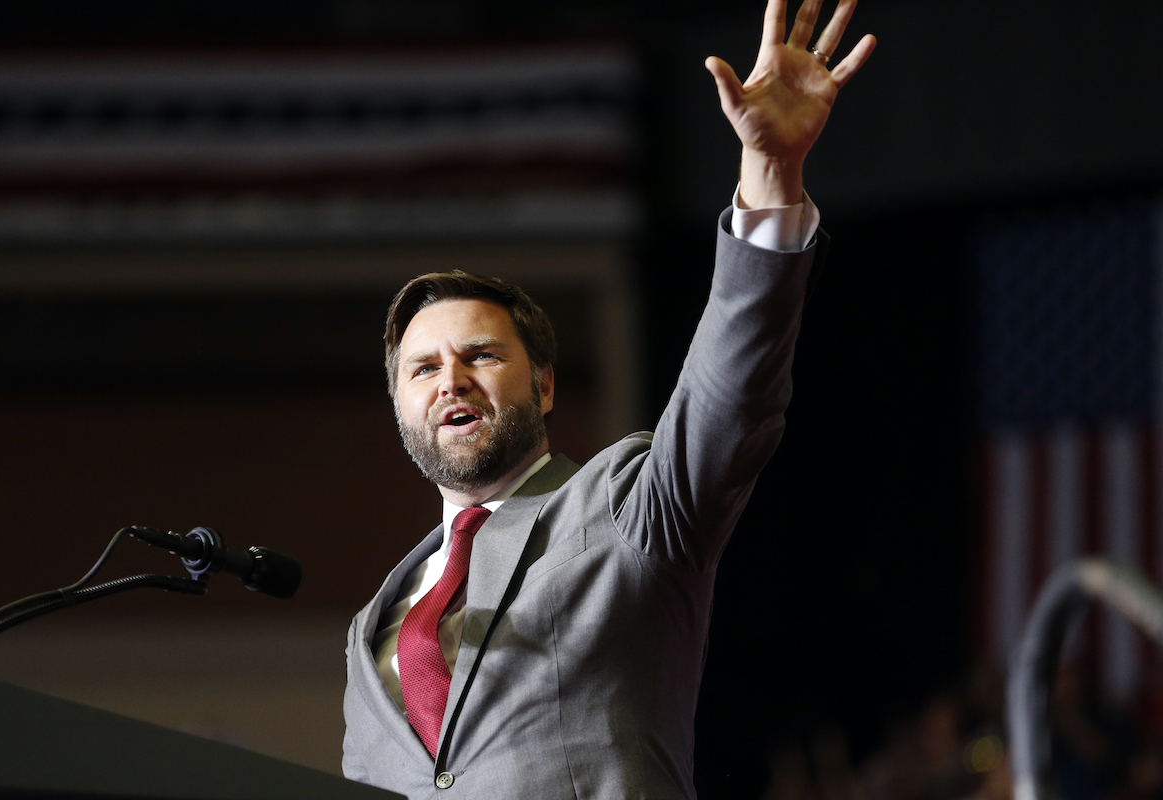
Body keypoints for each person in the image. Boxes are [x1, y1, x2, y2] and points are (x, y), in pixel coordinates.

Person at [342, 0, 875, 797]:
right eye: (421, 369)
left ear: (546, 383)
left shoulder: (631, 508)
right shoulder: (370, 628)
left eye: (480, 355)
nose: (449, 378)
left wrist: (771, 175)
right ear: (399, 408)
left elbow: (730, 395)